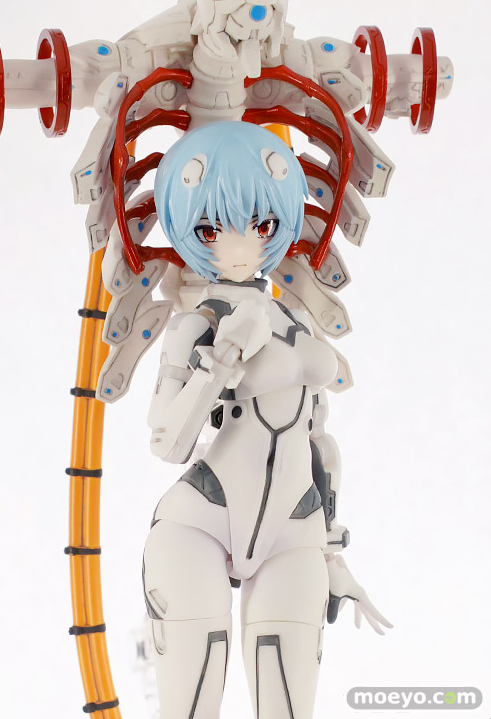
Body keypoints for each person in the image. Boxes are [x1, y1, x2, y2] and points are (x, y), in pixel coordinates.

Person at [142, 121, 390, 719]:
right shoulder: (195, 326)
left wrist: (331, 553)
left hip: (294, 526)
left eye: (261, 224)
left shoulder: (295, 322)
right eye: (211, 228)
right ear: (186, 229)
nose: (239, 245)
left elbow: (318, 444)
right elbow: (166, 442)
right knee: (191, 706)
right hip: (199, 521)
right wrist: (217, 365)